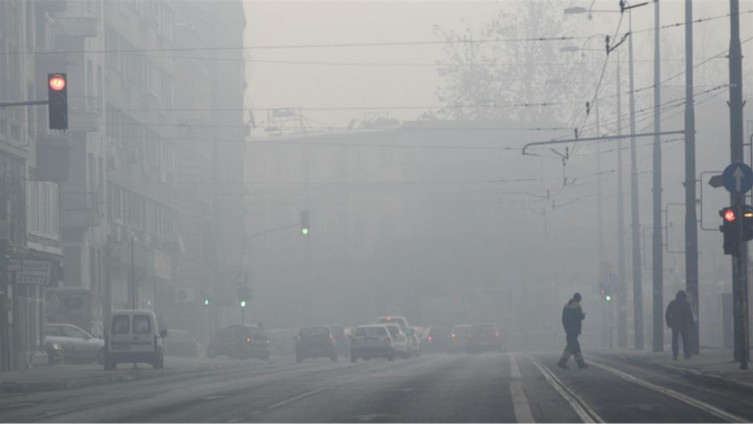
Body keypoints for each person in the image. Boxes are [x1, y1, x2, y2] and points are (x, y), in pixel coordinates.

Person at [558, 292, 588, 369]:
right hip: (575, 330)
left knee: (576, 347)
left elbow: (563, 318)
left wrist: (566, 327)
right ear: (579, 299)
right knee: (571, 346)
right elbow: (579, 316)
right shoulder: (577, 306)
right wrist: (583, 315)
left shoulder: (566, 306)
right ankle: (562, 362)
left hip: (568, 329)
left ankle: (581, 363)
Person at [665, 290, 694, 360]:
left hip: (675, 324)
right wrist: (692, 323)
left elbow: (667, 314)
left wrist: (669, 323)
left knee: (675, 340)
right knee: (685, 340)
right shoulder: (686, 304)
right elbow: (689, 315)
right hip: (684, 324)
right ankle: (687, 355)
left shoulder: (672, 303)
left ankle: (675, 355)